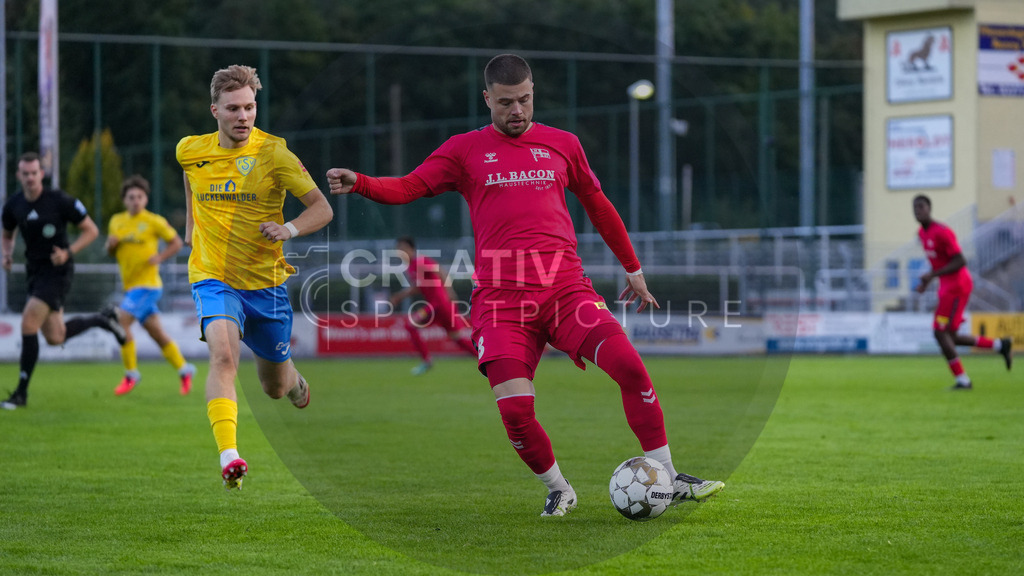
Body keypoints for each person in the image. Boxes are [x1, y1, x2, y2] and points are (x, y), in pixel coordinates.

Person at [328, 54, 724, 516]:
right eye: (505, 103)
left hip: (566, 292)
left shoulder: (563, 144)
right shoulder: (464, 150)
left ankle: (669, 477)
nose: (516, 111)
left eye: (524, 100)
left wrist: (631, 268)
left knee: (632, 370)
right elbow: (409, 187)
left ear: (533, 93)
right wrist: (360, 182)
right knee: (515, 411)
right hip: (500, 303)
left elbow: (598, 204)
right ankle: (558, 487)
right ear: (487, 100)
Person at [177, 65, 333, 489]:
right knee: (224, 358)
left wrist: (289, 229)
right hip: (213, 277)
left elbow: (322, 207)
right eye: (233, 109)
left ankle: (295, 380)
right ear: (215, 110)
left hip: (266, 286)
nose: (243, 116)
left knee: (275, 388)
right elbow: (190, 178)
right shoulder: (191, 149)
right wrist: (191, 226)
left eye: (249, 107)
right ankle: (230, 455)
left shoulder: (275, 154)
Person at [1, 152, 127, 410]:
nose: (30, 178)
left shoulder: (58, 200)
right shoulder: (13, 205)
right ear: (19, 176)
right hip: (35, 273)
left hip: (58, 272)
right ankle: (102, 319)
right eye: (25, 174)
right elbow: (7, 233)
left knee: (28, 322)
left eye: (34, 173)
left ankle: (20, 394)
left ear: (41, 174)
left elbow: (91, 230)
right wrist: (6, 254)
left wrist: (68, 252)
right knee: (55, 337)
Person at [105, 175, 196, 396]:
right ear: (124, 200)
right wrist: (110, 245)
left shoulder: (154, 220)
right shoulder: (116, 221)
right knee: (158, 334)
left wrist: (160, 257)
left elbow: (176, 242)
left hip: (148, 286)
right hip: (131, 287)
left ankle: (131, 374)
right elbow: (110, 251)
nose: (135, 200)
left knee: (121, 321)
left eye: (139, 196)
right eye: (131, 197)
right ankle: (185, 369)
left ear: (145, 199)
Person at [913, 194, 1012, 390]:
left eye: (921, 207)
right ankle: (1001, 345)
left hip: (957, 286)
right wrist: (928, 281)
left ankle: (963, 381)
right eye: (915, 208)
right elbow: (938, 262)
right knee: (951, 336)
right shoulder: (922, 234)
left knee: (940, 333)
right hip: (947, 287)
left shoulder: (942, 232)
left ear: (929, 208)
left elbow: (960, 260)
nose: (918, 211)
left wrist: (932, 275)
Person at [389, 236, 477, 375]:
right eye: (398, 249)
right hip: (440, 306)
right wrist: (400, 296)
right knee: (457, 338)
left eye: (402, 248)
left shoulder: (420, 260)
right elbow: (417, 287)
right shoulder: (411, 266)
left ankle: (427, 361)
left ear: (411, 249)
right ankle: (484, 359)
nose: (400, 251)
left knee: (410, 325)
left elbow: (440, 271)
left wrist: (450, 291)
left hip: (438, 304)